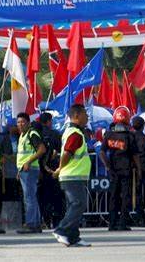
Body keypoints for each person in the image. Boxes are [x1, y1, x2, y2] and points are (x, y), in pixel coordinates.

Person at [52, 104, 91, 247]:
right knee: (78, 204)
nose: (87, 117)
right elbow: (67, 153)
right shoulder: (75, 133)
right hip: (72, 176)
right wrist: (60, 168)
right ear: (76, 116)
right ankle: (62, 230)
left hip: (74, 176)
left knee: (74, 206)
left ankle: (73, 237)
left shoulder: (73, 132)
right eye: (85, 114)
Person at [100, 106, 141, 231]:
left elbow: (102, 152)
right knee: (126, 196)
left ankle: (112, 224)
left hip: (113, 170)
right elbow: (135, 155)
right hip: (126, 169)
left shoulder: (108, 135)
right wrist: (139, 170)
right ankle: (123, 223)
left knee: (113, 196)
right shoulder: (130, 136)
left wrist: (107, 165)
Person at [16, 112, 46, 234]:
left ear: (28, 122)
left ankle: (31, 224)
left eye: (23, 122)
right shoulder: (23, 135)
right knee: (31, 197)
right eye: (18, 122)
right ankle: (36, 223)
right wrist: (20, 170)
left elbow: (42, 149)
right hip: (25, 170)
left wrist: (28, 162)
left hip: (29, 170)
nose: (20, 124)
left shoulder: (31, 134)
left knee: (29, 198)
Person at [38, 112, 64, 229]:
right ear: (49, 121)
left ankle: (45, 220)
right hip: (53, 170)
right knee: (56, 196)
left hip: (39, 170)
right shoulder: (55, 134)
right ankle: (57, 221)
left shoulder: (37, 133)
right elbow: (60, 150)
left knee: (43, 197)